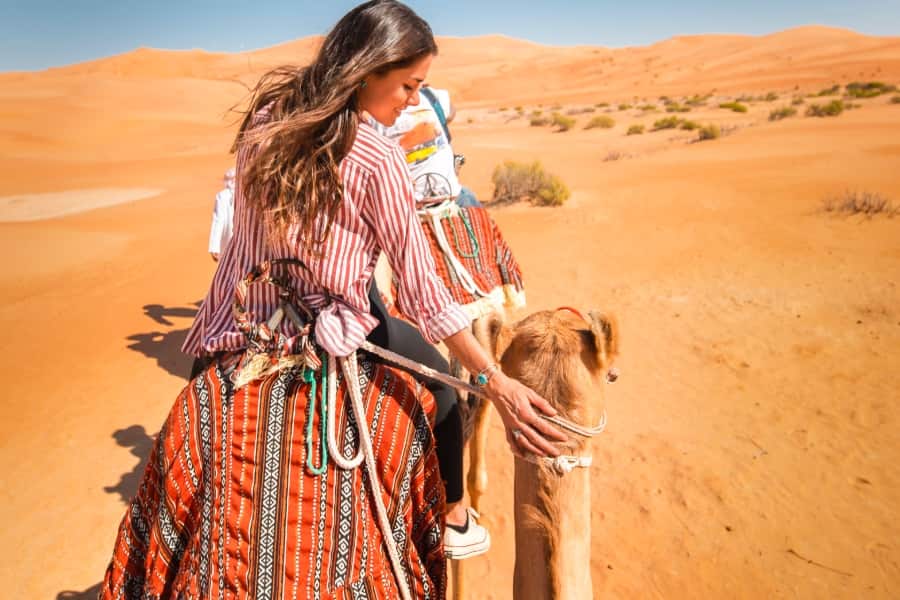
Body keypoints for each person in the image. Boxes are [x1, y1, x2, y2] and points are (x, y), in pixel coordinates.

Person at [103, 3, 565, 596]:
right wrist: (494, 382)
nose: (407, 102)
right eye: (407, 86)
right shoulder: (380, 157)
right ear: (369, 70)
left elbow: (241, 248)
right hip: (337, 332)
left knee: (190, 415)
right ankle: (452, 516)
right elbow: (423, 292)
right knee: (445, 401)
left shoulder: (265, 123)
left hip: (245, 328)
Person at [376, 83, 482, 207]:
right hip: (413, 207)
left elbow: (450, 111)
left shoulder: (429, 95)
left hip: (453, 197)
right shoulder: (376, 112)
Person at [207, 167, 236, 261]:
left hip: (227, 240)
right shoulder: (246, 193)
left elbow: (218, 220)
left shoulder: (222, 196)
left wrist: (214, 247)